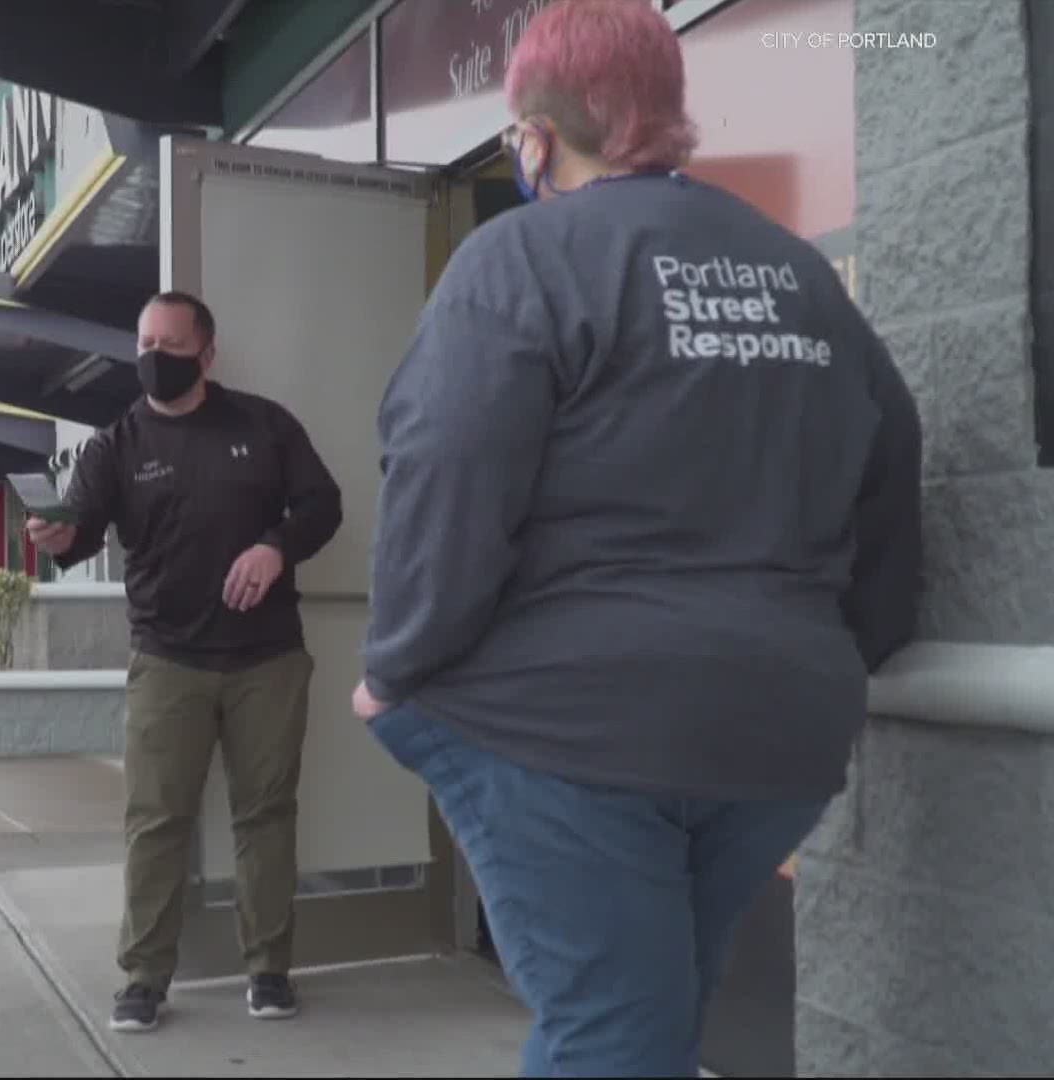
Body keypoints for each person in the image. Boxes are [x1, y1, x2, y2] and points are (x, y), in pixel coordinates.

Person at [350, 2, 923, 1075]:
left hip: (575, 732)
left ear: (535, 134)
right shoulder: (799, 275)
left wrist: (395, 667)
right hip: (776, 733)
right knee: (653, 1016)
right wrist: (844, 654)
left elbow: (448, 476)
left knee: (609, 1032)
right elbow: (893, 479)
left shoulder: (517, 261)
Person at [27, 291, 343, 1034]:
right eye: (145, 343)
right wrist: (52, 537)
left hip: (267, 659)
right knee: (155, 822)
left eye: (170, 346)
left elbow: (323, 505)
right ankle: (143, 978)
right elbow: (78, 532)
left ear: (207, 354)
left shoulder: (264, 425)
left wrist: (276, 546)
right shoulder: (117, 444)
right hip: (167, 660)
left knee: (265, 817)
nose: (154, 359)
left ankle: (268, 970)